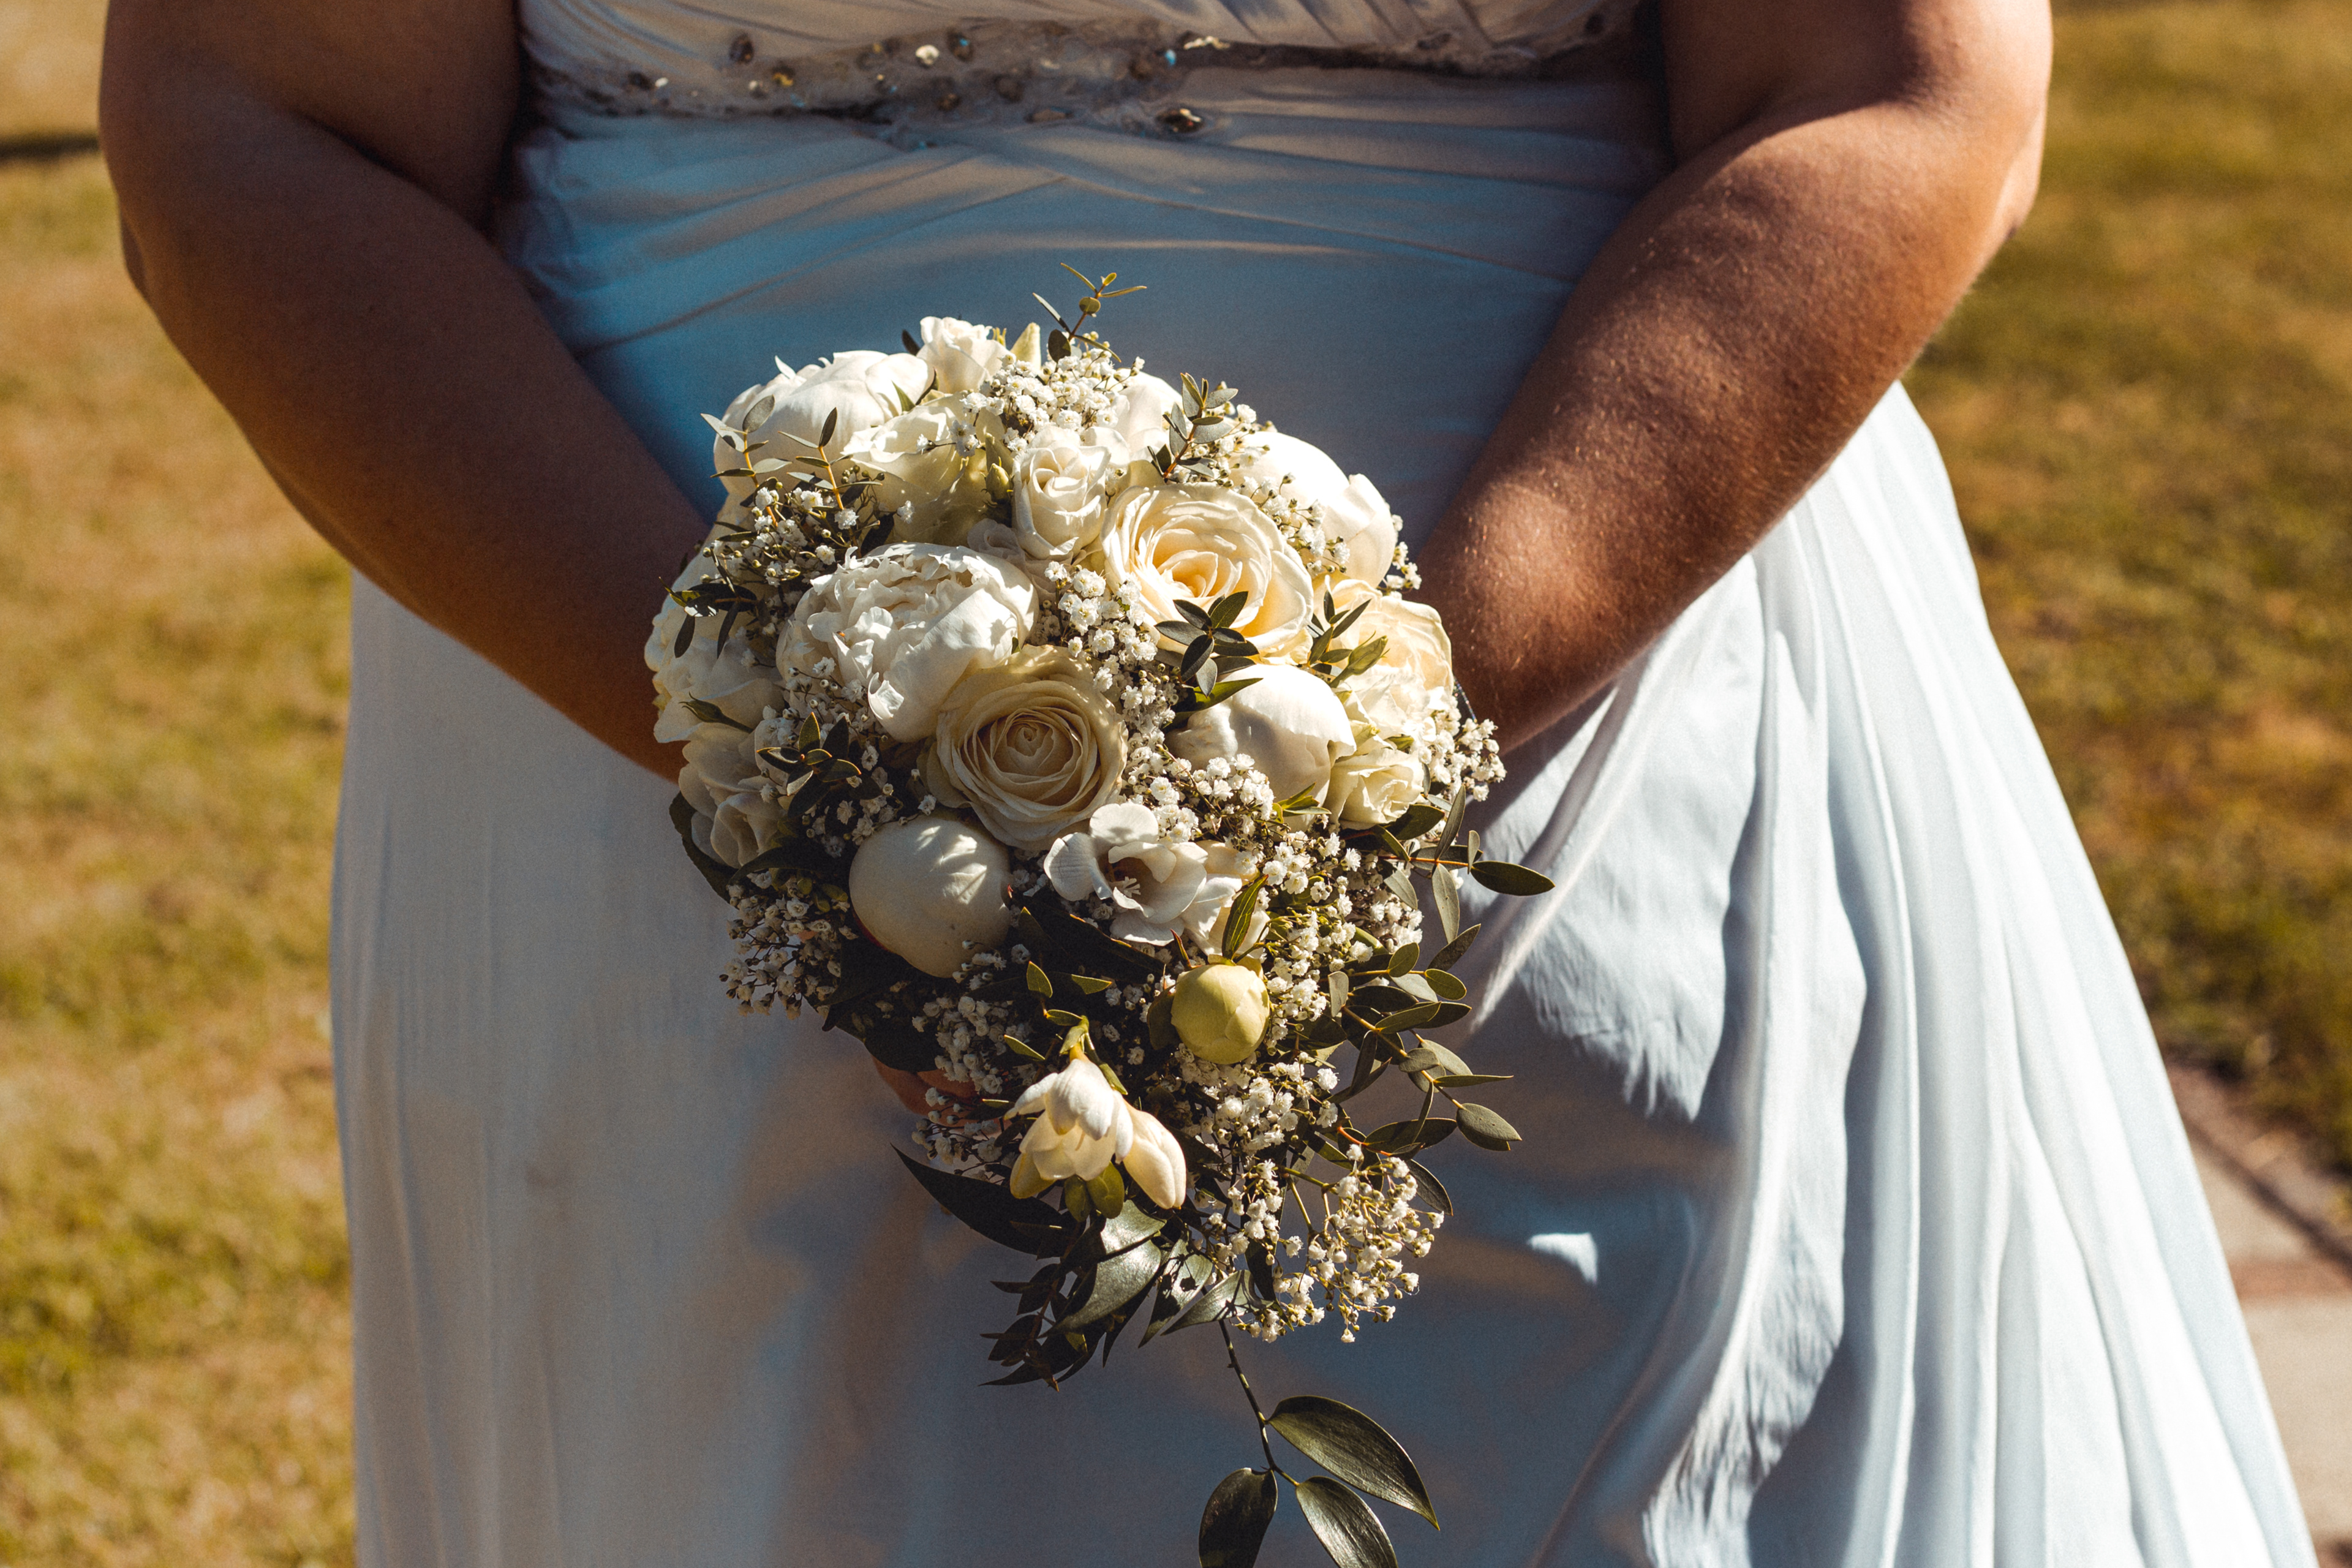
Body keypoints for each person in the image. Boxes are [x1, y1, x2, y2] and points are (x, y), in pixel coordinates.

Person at [100, 0, 2316, 1560]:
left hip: (1582, 812)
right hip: (653, 832)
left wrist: (1374, 751)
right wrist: (789, 768)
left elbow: (1890, 85)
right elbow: (258, 120)